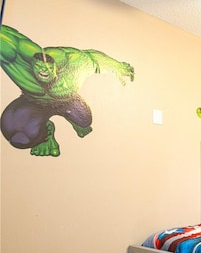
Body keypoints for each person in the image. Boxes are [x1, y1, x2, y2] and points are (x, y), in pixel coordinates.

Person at [0, 25, 134, 156]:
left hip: (68, 102)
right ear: (32, 64)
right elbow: (5, 38)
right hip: (32, 102)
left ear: (57, 67)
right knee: (16, 135)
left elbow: (94, 59)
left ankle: (71, 118)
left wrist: (117, 66)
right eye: (39, 67)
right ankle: (47, 135)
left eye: (48, 68)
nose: (43, 71)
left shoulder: (73, 62)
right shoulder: (17, 60)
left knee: (85, 122)